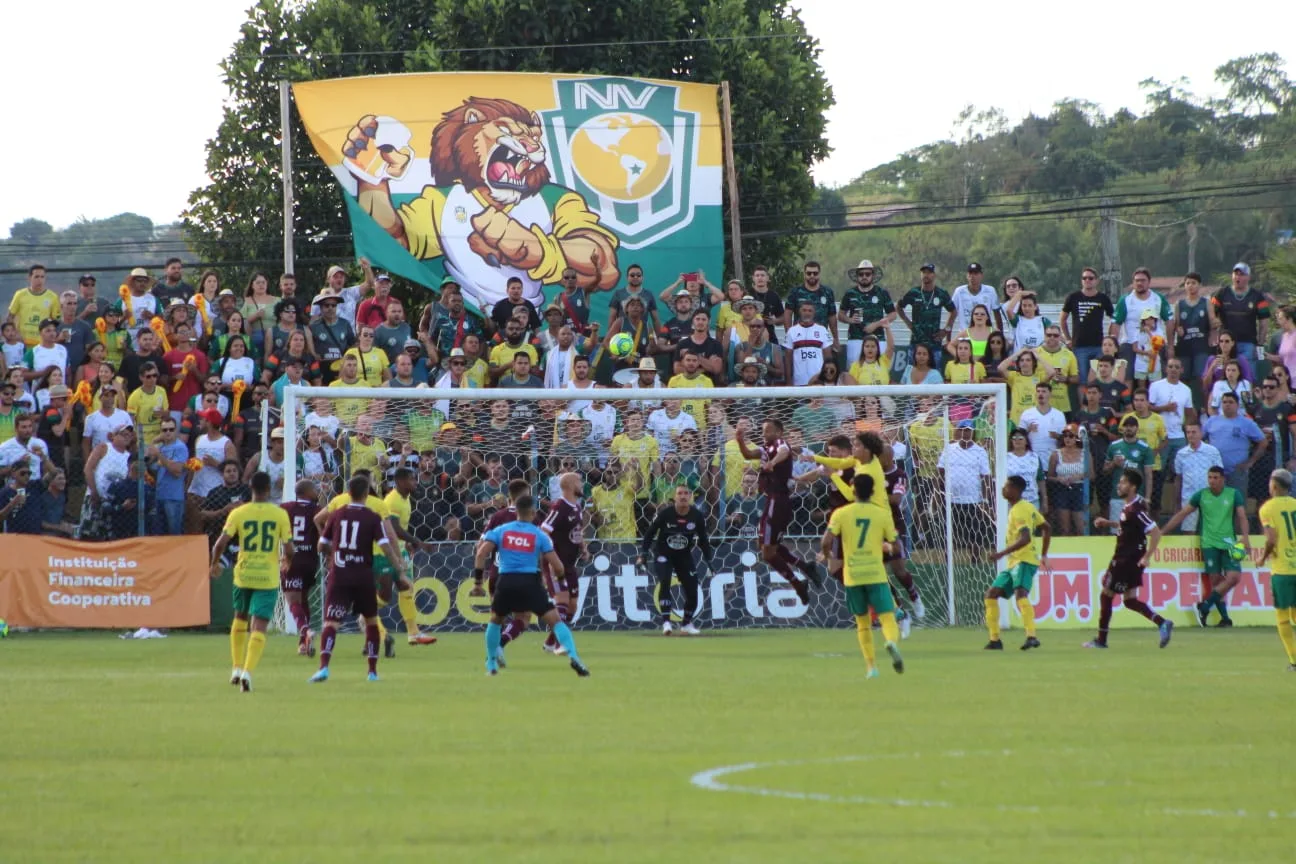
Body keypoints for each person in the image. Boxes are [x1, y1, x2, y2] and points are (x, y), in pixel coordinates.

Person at [474, 494, 590, 677]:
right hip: (531, 583)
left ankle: (491, 664)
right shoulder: (538, 535)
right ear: (533, 513)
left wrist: (478, 582)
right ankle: (575, 657)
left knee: (495, 620)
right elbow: (558, 566)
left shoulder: (501, 530)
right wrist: (561, 581)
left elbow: (481, 554)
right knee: (556, 621)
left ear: (517, 511)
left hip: (505, 582)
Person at [311, 476, 406, 683]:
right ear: (366, 494)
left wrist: (334, 552)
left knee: (331, 622)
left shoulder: (336, 515)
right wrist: (399, 569)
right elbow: (386, 545)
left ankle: (324, 667)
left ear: (348, 493)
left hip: (339, 576)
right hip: (363, 576)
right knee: (371, 622)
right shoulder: (372, 517)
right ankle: (372, 672)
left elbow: (320, 546)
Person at [209, 471, 294, 692]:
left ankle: (236, 668)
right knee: (260, 624)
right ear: (268, 489)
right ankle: (247, 672)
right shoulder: (279, 514)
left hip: (244, 573)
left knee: (240, 617)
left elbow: (219, 544)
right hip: (267, 576)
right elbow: (290, 548)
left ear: (250, 488)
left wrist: (214, 563)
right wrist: (287, 561)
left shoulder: (239, 512)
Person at [823, 473, 905, 677]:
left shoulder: (841, 513)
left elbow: (826, 541)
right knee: (887, 617)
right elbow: (896, 546)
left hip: (853, 574)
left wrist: (827, 554)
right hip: (875, 574)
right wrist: (887, 547)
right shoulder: (882, 514)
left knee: (862, 622)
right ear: (873, 491)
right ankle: (891, 642)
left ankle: (871, 668)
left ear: (853, 489)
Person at [1085, 468, 1175, 650]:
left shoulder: (1136, 509)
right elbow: (1130, 526)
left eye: (1124, 482)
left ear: (1133, 487)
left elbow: (1156, 533)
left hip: (1126, 560)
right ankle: (1162, 622)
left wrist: (1147, 557)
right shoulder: (1132, 506)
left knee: (1106, 595)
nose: (1119, 485)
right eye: (1120, 482)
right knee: (1129, 600)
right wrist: (1108, 523)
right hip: (1130, 559)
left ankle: (1101, 641)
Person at [735, 418, 822, 602]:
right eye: (762, 430)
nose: (764, 433)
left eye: (767, 430)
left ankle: (798, 583)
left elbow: (784, 451)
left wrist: (772, 463)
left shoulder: (780, 444)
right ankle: (805, 568)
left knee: (767, 552)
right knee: (769, 547)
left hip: (778, 501)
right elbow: (748, 454)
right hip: (774, 501)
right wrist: (740, 440)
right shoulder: (765, 449)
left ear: (778, 432)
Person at [1161, 466, 1250, 628]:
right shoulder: (1201, 495)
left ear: (1223, 479)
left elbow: (1242, 516)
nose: (1212, 481)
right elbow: (1183, 514)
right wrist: (1163, 531)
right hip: (1209, 544)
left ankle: (1204, 606)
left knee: (1234, 577)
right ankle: (1225, 619)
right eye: (1210, 477)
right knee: (1216, 582)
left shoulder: (1233, 494)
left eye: (1216, 478)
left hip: (1230, 544)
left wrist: (1245, 538)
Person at [980, 475, 1049, 651]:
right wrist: (1044, 555)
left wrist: (1001, 553)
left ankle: (1031, 636)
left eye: (1006, 486)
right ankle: (995, 640)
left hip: (1024, 560)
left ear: (1016, 490)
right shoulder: (1026, 507)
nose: (1003, 489)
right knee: (991, 594)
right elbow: (1046, 527)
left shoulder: (1019, 510)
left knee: (1021, 595)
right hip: (1015, 562)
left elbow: (1025, 538)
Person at [641, 484, 713, 636]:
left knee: (692, 589)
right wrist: (643, 554)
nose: (683, 496)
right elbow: (649, 534)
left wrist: (709, 561)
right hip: (663, 554)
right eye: (680, 493)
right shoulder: (666, 514)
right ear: (675, 497)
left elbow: (704, 540)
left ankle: (686, 623)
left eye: (686, 493)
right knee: (665, 581)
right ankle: (666, 622)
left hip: (683, 555)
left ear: (691, 497)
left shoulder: (697, 516)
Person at [383, 467, 438, 647]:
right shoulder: (392, 500)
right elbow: (393, 528)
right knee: (383, 595)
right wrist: (418, 542)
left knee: (407, 589)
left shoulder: (405, 499)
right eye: (411, 479)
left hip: (400, 550)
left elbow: (400, 530)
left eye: (415, 479)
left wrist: (407, 543)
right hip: (385, 552)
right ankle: (365, 618)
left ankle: (413, 633)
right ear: (400, 481)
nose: (415, 482)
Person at [1258, 468, 1296, 671]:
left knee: (1283, 617)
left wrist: (1263, 557)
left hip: (1282, 570)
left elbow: (1271, 539)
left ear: (1274, 485)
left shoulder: (1267, 508)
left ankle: (1294, 660)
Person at [1203, 391, 1266, 499]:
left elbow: (1263, 442)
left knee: (1237, 504)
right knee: (1215, 503)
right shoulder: (1211, 421)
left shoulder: (1247, 423)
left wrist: (1250, 462)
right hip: (1215, 471)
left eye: (1231, 402)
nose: (1227, 404)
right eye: (1224, 402)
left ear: (1237, 405)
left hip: (1237, 471)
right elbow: (1200, 440)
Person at [1061, 266, 1115, 388]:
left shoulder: (1103, 298)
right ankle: (1082, 407)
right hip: (1079, 346)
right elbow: (1062, 319)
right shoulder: (1073, 297)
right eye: (1084, 278)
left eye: (1090, 278)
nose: (1087, 280)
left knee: (1100, 379)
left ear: (1096, 281)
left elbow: (1114, 319)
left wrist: (1109, 338)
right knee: (1083, 381)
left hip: (1098, 345)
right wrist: (1068, 339)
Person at [1111, 267, 1171, 375]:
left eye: (1143, 280)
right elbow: (1116, 324)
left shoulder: (1158, 299)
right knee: (1126, 377)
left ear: (1149, 282)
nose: (1139, 283)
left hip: (1155, 344)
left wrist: (1170, 345)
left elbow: (1170, 321)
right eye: (1136, 280)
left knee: (1157, 378)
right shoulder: (1125, 300)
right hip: (1130, 344)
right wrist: (1113, 346)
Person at [840, 260, 896, 366]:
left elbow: (893, 314)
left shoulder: (882, 293)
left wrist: (877, 324)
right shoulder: (850, 293)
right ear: (857, 276)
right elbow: (841, 315)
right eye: (861, 274)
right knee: (854, 371)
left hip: (878, 338)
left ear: (873, 276)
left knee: (879, 369)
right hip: (855, 338)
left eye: (867, 274)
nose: (864, 276)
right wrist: (850, 320)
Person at [897, 263, 953, 368]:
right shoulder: (914, 292)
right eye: (923, 272)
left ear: (934, 275)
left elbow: (953, 311)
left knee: (935, 374)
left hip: (934, 342)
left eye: (929, 272)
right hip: (916, 342)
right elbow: (899, 307)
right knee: (912, 374)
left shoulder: (941, 293)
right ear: (920, 275)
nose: (926, 275)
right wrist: (908, 323)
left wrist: (946, 329)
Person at [1102, 416, 1155, 530]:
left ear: (1137, 429)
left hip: (1137, 496)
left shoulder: (1145, 448)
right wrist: (1113, 464)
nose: (1128, 429)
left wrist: (1147, 498)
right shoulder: (1114, 446)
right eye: (1126, 426)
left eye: (1131, 426)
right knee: (1117, 531)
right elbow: (1105, 470)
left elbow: (1148, 475)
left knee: (1137, 531)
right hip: (1117, 496)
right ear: (1122, 429)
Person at [1211, 262, 1270, 363]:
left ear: (1248, 277)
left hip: (1248, 344)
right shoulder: (1220, 294)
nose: (1238, 277)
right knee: (1225, 373)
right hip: (1226, 344)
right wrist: (1215, 325)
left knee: (1247, 374)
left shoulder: (1258, 296)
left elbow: (1264, 323)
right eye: (1236, 274)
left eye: (1242, 274)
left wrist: (1260, 345)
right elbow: (1211, 314)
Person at [1172, 421, 1223, 534]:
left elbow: (1220, 476)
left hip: (1210, 496)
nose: (1190, 435)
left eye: (1194, 432)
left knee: (1212, 530)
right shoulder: (1181, 454)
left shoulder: (1212, 451)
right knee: (1188, 531)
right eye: (1188, 432)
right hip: (1189, 498)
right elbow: (1178, 478)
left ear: (1201, 433)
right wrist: (1177, 502)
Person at [1048, 424, 1091, 536]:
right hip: (1062, 489)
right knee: (1064, 529)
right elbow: (1049, 476)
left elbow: (1092, 475)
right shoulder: (1056, 454)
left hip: (1080, 489)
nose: (1068, 438)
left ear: (1077, 437)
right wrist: (1060, 479)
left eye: (1071, 436)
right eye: (1065, 436)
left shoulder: (1085, 453)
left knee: (1081, 528)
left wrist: (1079, 476)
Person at [7, 265, 60, 348]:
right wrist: (16, 334)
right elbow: (10, 317)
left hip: (42, 344)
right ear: (29, 278)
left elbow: (55, 321)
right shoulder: (20, 295)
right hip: (22, 343)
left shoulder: (52, 297)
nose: (40, 280)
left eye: (42, 277)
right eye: (36, 277)